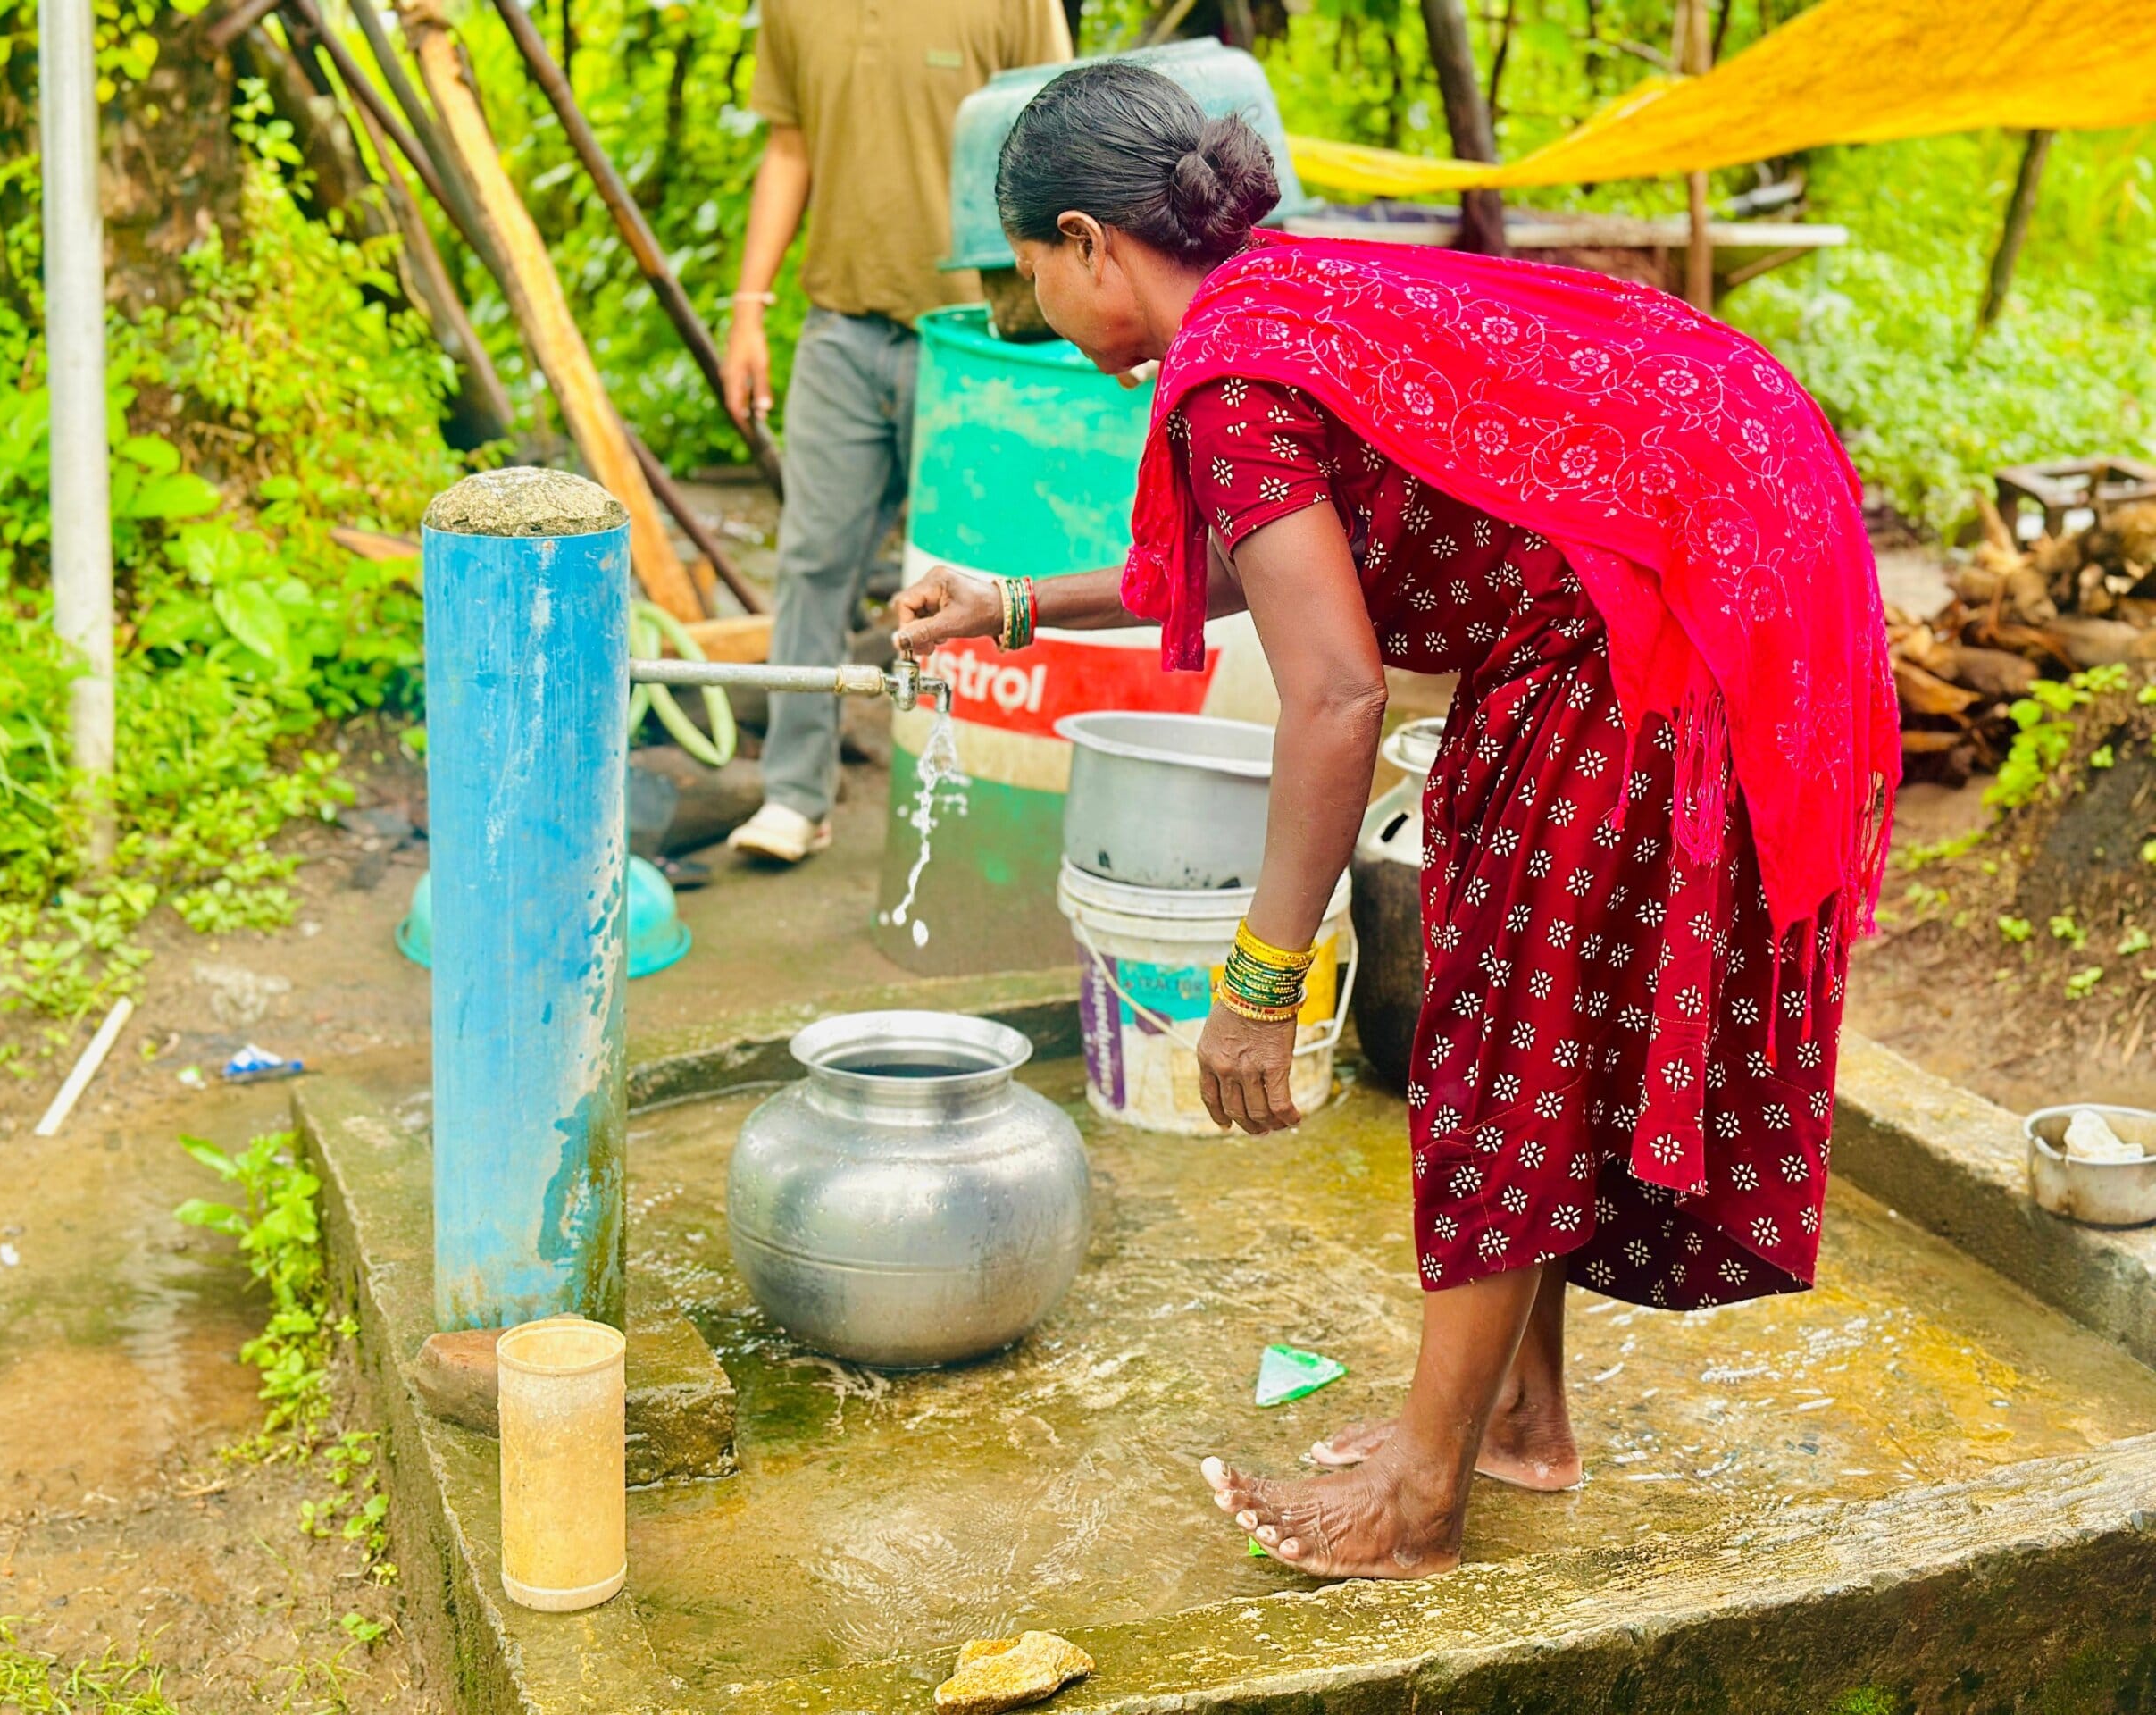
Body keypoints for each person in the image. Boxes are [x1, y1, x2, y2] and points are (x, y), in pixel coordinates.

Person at [892, 63, 1899, 1580]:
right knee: (1526, 1031)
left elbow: (1337, 692)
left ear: (1087, 241)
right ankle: (1518, 1422)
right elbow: (1275, 557)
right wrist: (1014, 604)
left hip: (1642, 638)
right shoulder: (1275, 302)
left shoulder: (1227, 376)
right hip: (1682, 579)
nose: (1034, 310)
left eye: (1028, 270)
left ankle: (1420, 1501)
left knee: (1506, 1043)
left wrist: (1259, 979)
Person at [721, 0, 1072, 864]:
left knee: (991, 569)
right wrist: (748, 308)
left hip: (980, 337)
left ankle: (989, 804)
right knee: (811, 562)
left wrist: (1082, 319)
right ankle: (795, 795)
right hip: (840, 329)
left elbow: (1067, 143)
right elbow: (790, 148)